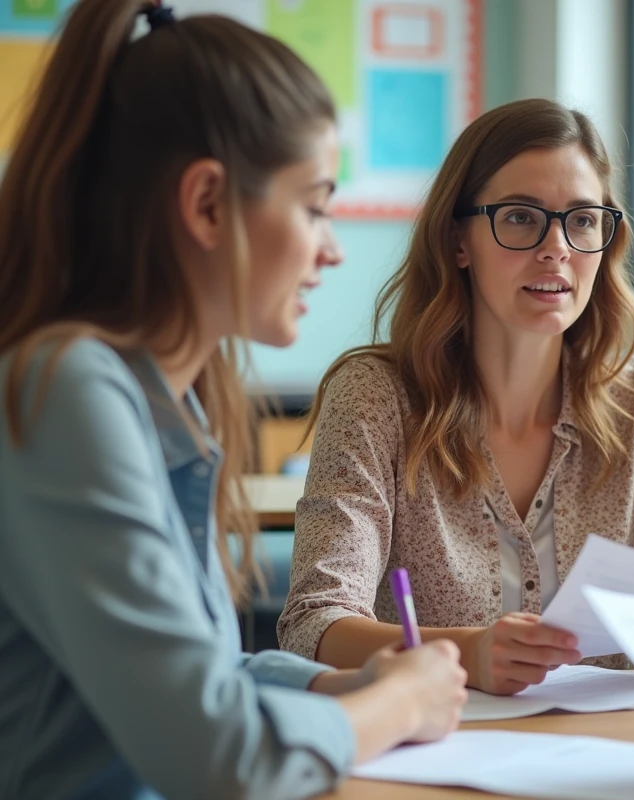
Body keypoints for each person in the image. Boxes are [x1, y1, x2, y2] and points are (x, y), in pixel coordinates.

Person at [0, 2, 467, 798]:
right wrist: (392, 707)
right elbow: (217, 754)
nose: (332, 247)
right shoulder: (67, 391)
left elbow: (202, 674)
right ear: (208, 203)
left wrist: (343, 688)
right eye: (315, 204)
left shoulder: (160, 395)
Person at [277, 98, 634, 695]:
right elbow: (315, 621)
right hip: (438, 749)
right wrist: (468, 653)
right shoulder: (374, 396)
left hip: (610, 756)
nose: (557, 247)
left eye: (583, 219)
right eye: (520, 217)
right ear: (458, 241)